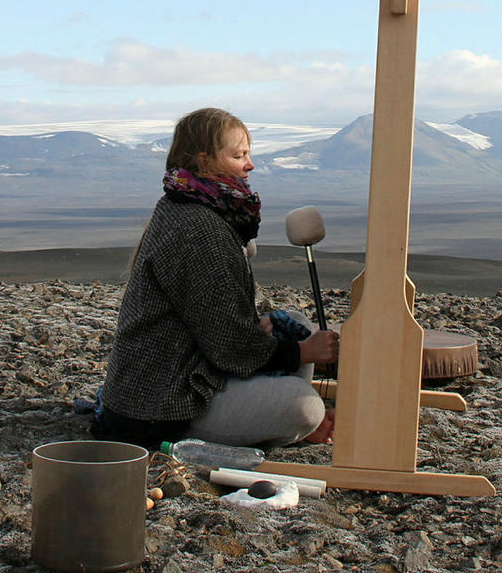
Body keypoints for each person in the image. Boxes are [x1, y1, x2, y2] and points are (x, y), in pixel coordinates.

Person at [91, 107, 338, 450]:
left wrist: (262, 331)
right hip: (162, 406)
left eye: (248, 154)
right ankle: (293, 428)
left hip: (171, 380)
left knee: (293, 322)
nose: (250, 165)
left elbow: (213, 321)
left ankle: (277, 419)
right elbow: (229, 347)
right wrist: (301, 352)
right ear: (204, 161)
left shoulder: (184, 206)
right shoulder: (199, 228)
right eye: (238, 156)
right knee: (305, 405)